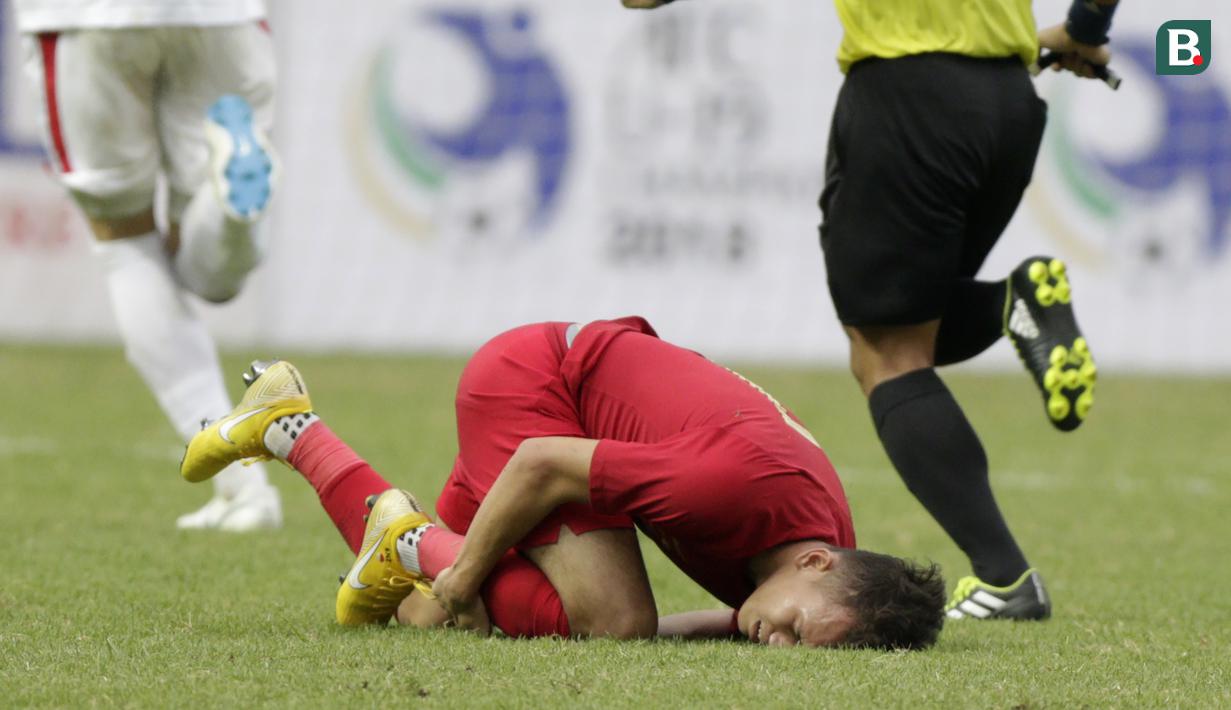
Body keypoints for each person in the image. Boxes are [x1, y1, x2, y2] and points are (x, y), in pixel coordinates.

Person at [623, 0, 1118, 620]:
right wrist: (1083, 30)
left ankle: (1005, 577)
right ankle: (1007, 309)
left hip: (907, 98)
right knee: (914, 325)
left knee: (886, 353)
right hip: (1008, 103)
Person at [180, 317, 946, 649]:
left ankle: (288, 427)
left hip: (568, 425)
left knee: (423, 622)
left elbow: (735, 621)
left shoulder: (813, 555)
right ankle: (414, 544)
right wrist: (459, 577)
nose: (773, 642)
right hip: (536, 393)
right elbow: (543, 463)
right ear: (818, 564)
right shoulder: (733, 489)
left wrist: (450, 597)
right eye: (795, 630)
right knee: (606, 620)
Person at [15, 0, 283, 530]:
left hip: (88, 17)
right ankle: (234, 214)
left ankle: (241, 484)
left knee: (121, 240)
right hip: (220, 16)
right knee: (211, 275)